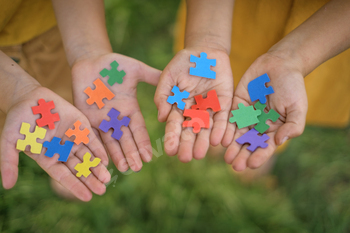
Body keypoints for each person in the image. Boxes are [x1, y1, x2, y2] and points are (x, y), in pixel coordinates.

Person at [154, 0, 350, 172]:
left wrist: (293, 61)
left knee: (275, 108)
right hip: (234, 23)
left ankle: (248, 147)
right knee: (232, 85)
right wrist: (206, 40)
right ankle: (220, 137)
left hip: (325, 41)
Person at [0, 0, 161, 201]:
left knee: (65, 97)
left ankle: (72, 153)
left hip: (51, 28)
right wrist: (14, 92)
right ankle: (67, 157)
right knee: (15, 119)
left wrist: (90, 52)